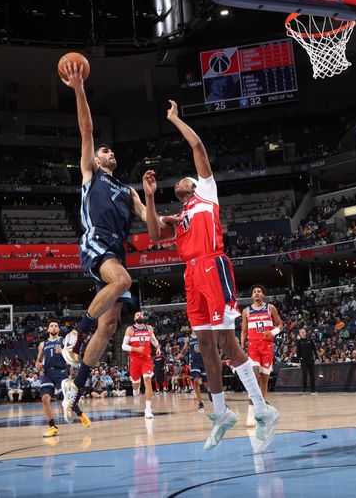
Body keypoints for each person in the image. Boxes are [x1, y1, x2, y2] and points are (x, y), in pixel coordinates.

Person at [141, 100, 279, 454]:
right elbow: (155, 235)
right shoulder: (181, 215)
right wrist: (151, 198)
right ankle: (221, 414)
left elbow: (198, 147)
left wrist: (173, 118)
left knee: (226, 342)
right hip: (190, 275)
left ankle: (263, 411)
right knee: (205, 347)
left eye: (184, 177)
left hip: (212, 265)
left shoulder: (206, 193)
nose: (181, 180)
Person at [58, 62, 155, 426]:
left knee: (111, 323)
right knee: (124, 281)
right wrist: (79, 88)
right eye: (104, 151)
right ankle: (74, 334)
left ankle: (76, 387)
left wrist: (154, 199)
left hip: (117, 248)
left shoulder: (127, 190)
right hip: (96, 240)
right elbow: (86, 128)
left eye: (111, 152)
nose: (108, 153)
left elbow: (151, 222)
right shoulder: (91, 173)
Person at [240, 284, 283, 426]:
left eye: (259, 292)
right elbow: (244, 331)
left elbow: (280, 325)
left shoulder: (270, 308)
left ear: (263, 295)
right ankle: (250, 412)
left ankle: (261, 410)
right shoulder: (246, 311)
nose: (257, 293)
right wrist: (241, 346)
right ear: (252, 296)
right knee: (254, 375)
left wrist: (273, 332)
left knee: (264, 379)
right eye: (254, 292)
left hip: (267, 346)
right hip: (253, 346)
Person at [36, 320, 71, 437]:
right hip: (48, 373)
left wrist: (64, 351)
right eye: (51, 326)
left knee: (69, 398)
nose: (54, 327)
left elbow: (73, 357)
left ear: (59, 329)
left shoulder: (64, 341)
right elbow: (38, 361)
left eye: (56, 326)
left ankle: (80, 414)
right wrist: (38, 365)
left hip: (61, 371)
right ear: (48, 329)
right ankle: (52, 427)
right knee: (45, 398)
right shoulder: (43, 344)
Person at [122, 311, 160, 419]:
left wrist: (158, 347)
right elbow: (123, 346)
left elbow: (153, 340)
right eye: (137, 315)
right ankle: (136, 390)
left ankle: (148, 410)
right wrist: (135, 349)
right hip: (134, 359)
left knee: (147, 380)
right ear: (134, 318)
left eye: (141, 314)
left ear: (143, 317)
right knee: (136, 384)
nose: (139, 315)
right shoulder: (130, 329)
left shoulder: (149, 328)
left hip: (146, 358)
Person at [178, 332, 207, 413]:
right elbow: (185, 349)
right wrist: (181, 354)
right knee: (196, 380)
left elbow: (209, 347)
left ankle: (210, 393)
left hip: (204, 362)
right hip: (194, 362)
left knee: (207, 384)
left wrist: (202, 349)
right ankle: (200, 403)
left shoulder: (203, 335)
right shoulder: (188, 339)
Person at [296, 329, 318, 395]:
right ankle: (304, 389)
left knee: (312, 374)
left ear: (306, 333)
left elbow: (314, 349)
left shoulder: (310, 340)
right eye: (301, 332)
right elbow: (298, 352)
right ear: (299, 334)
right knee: (305, 373)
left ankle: (313, 390)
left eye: (303, 332)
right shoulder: (299, 342)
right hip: (303, 360)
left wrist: (316, 356)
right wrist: (299, 360)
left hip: (310, 359)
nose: (303, 333)